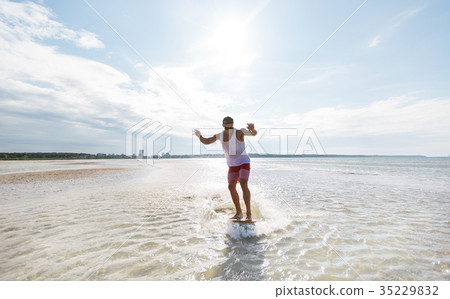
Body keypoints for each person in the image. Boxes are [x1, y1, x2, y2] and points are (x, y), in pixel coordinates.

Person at [194, 116, 257, 220]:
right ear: (223, 126)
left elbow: (254, 134)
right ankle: (239, 213)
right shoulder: (220, 135)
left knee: (243, 183)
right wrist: (199, 136)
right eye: (226, 128)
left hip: (243, 162)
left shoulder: (239, 132)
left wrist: (252, 129)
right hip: (232, 165)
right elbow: (206, 141)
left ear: (232, 125)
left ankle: (249, 215)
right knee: (231, 186)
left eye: (230, 127)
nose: (229, 130)